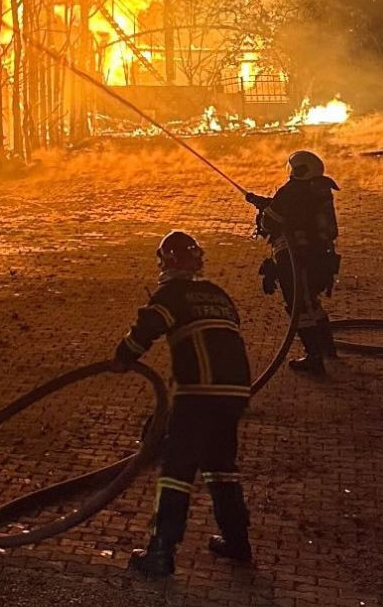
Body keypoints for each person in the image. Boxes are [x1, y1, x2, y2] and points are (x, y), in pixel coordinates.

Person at [113, 229, 253, 579]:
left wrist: (123, 356)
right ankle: (238, 542)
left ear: (166, 262)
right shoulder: (217, 293)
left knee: (176, 470)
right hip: (235, 391)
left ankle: (161, 552)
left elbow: (148, 327)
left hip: (198, 392)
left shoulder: (172, 293)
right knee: (221, 466)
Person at [245, 148, 340, 379]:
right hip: (320, 255)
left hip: (295, 258)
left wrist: (267, 209)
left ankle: (314, 358)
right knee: (311, 302)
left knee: (299, 306)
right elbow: (298, 212)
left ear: (298, 170)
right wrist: (265, 202)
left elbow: (270, 224)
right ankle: (328, 348)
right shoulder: (321, 188)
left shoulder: (290, 191)